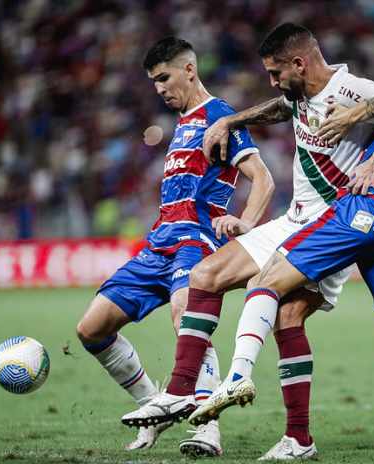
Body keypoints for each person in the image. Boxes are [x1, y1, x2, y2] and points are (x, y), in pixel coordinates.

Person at [121, 24, 374, 460]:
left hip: (332, 225)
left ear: (300, 63)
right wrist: (232, 119)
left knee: (287, 316)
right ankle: (181, 392)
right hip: (293, 219)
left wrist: (373, 146)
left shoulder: (356, 92)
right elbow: (280, 107)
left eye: (275, 72)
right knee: (206, 274)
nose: (271, 80)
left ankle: (293, 434)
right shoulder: (300, 94)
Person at [75, 37, 274, 456]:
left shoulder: (218, 115)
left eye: (164, 78)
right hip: (158, 242)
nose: (159, 88)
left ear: (189, 70)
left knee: (187, 313)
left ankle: (207, 428)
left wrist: (246, 224)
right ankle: (154, 407)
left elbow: (263, 178)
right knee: (91, 329)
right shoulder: (183, 122)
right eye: (153, 82)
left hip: (196, 238)